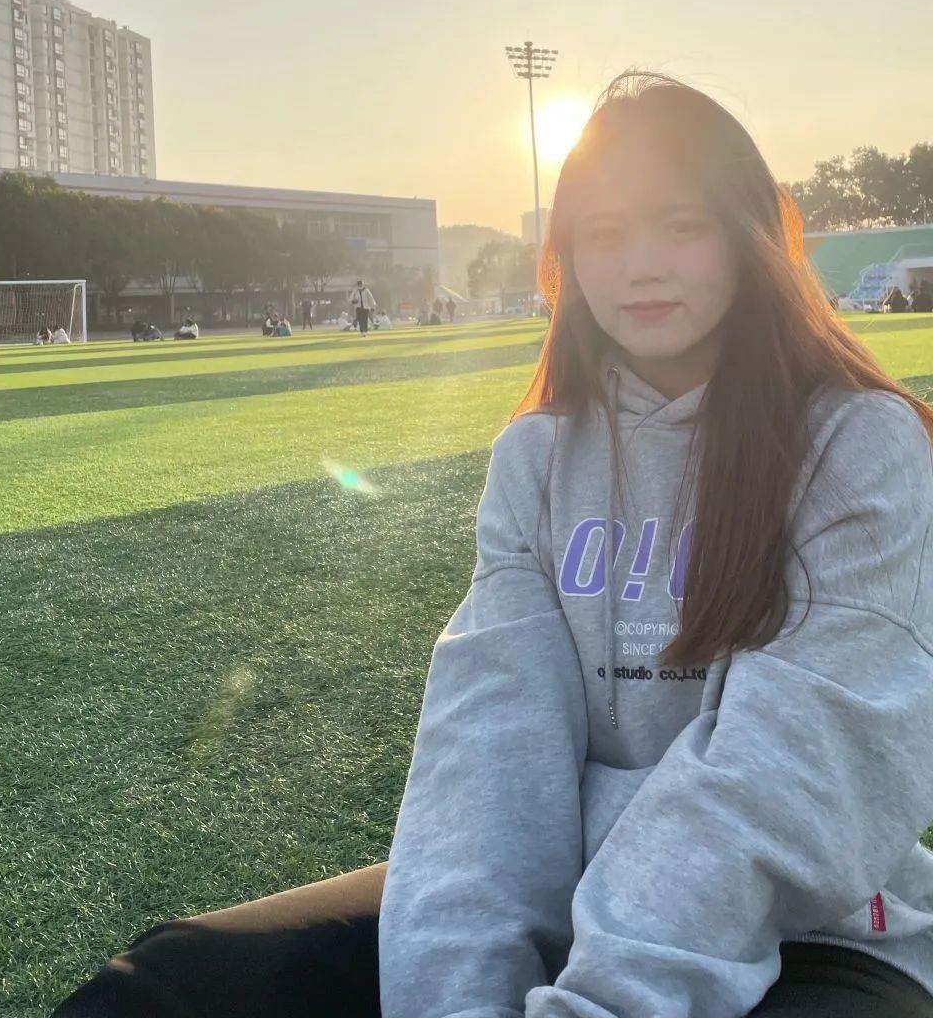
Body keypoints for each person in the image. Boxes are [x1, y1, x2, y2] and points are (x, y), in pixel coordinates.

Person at [52, 70, 933, 1018]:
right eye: (605, 232)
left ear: (749, 234)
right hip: (566, 881)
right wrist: (461, 998)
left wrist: (599, 999)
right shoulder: (537, 456)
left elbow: (789, 776)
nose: (641, 265)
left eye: (683, 225)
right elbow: (490, 746)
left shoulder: (857, 442)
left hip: (820, 929)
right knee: (168, 988)